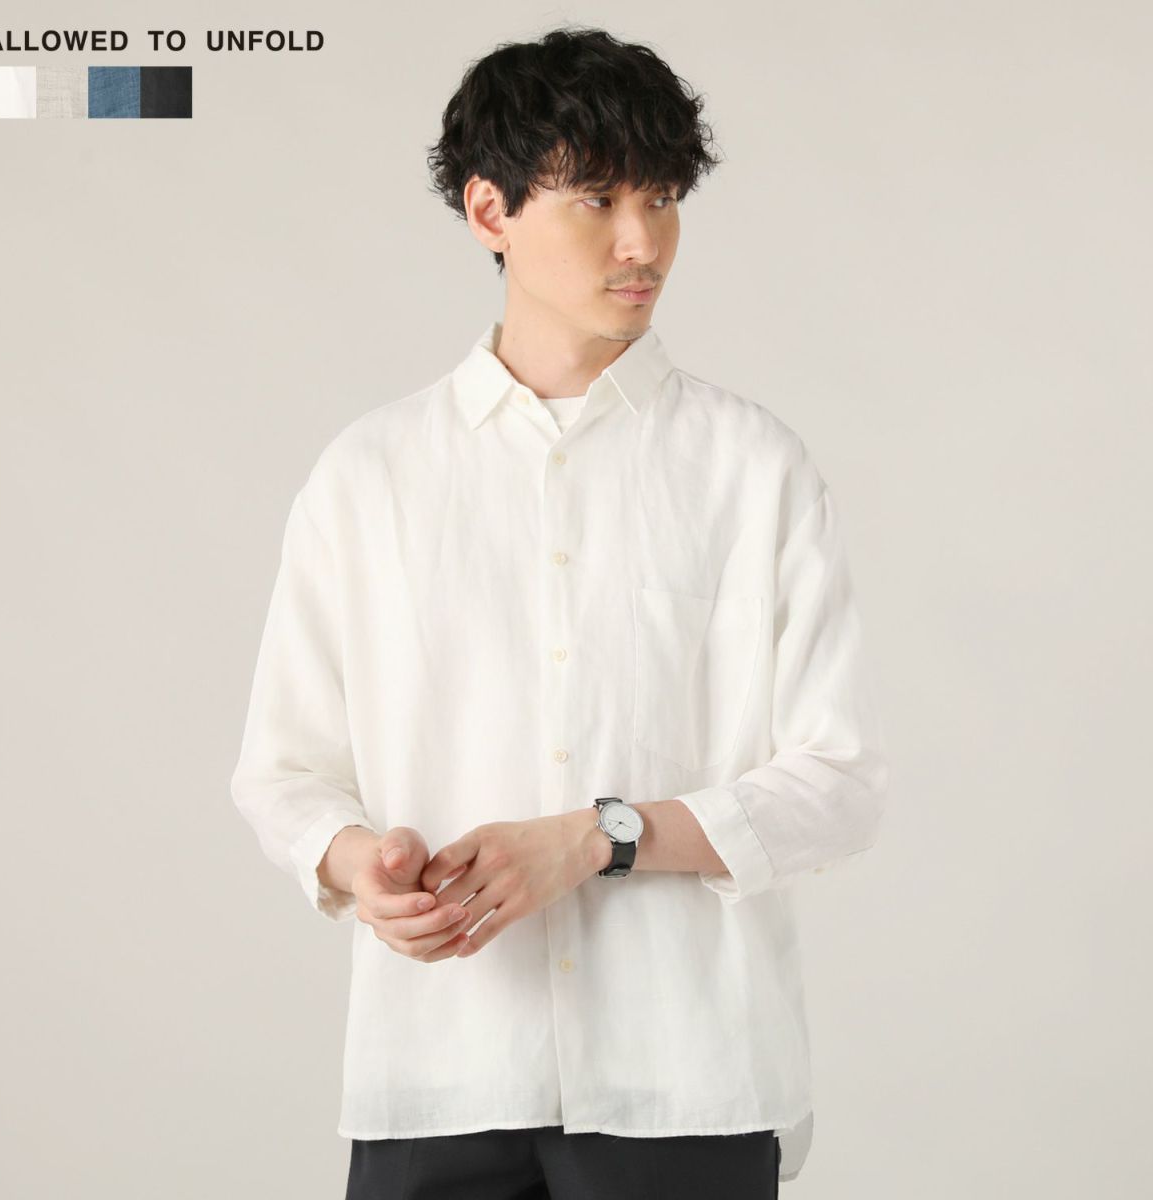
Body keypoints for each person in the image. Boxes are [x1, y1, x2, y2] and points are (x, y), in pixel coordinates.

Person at [230, 24, 888, 1199]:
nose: (644, 243)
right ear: (490, 210)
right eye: (598, 200)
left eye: (663, 199)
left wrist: (599, 836)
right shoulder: (368, 476)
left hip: (686, 1083)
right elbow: (283, 769)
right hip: (436, 1073)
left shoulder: (754, 471)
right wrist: (357, 863)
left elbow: (837, 785)